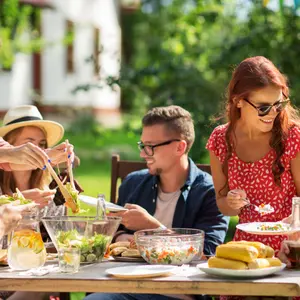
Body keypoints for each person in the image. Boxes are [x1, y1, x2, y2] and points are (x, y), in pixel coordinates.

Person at [85, 105, 229, 300]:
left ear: (180, 147)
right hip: (124, 288)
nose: (143, 154)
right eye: (142, 145)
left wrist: (151, 229)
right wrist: (121, 238)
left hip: (178, 294)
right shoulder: (133, 183)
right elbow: (108, 235)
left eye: (151, 147)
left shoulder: (210, 193)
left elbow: (208, 256)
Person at [206, 55, 300, 254]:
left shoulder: (293, 136)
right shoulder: (220, 139)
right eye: (263, 108)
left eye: (278, 105)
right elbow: (223, 205)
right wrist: (233, 203)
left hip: (291, 248)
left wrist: (295, 220)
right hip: (247, 250)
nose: (273, 114)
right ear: (238, 101)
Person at [0, 105, 75, 216]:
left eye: (42, 144)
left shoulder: (50, 186)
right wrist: (20, 202)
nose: (37, 149)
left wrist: (52, 156)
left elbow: (58, 228)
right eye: (29, 144)